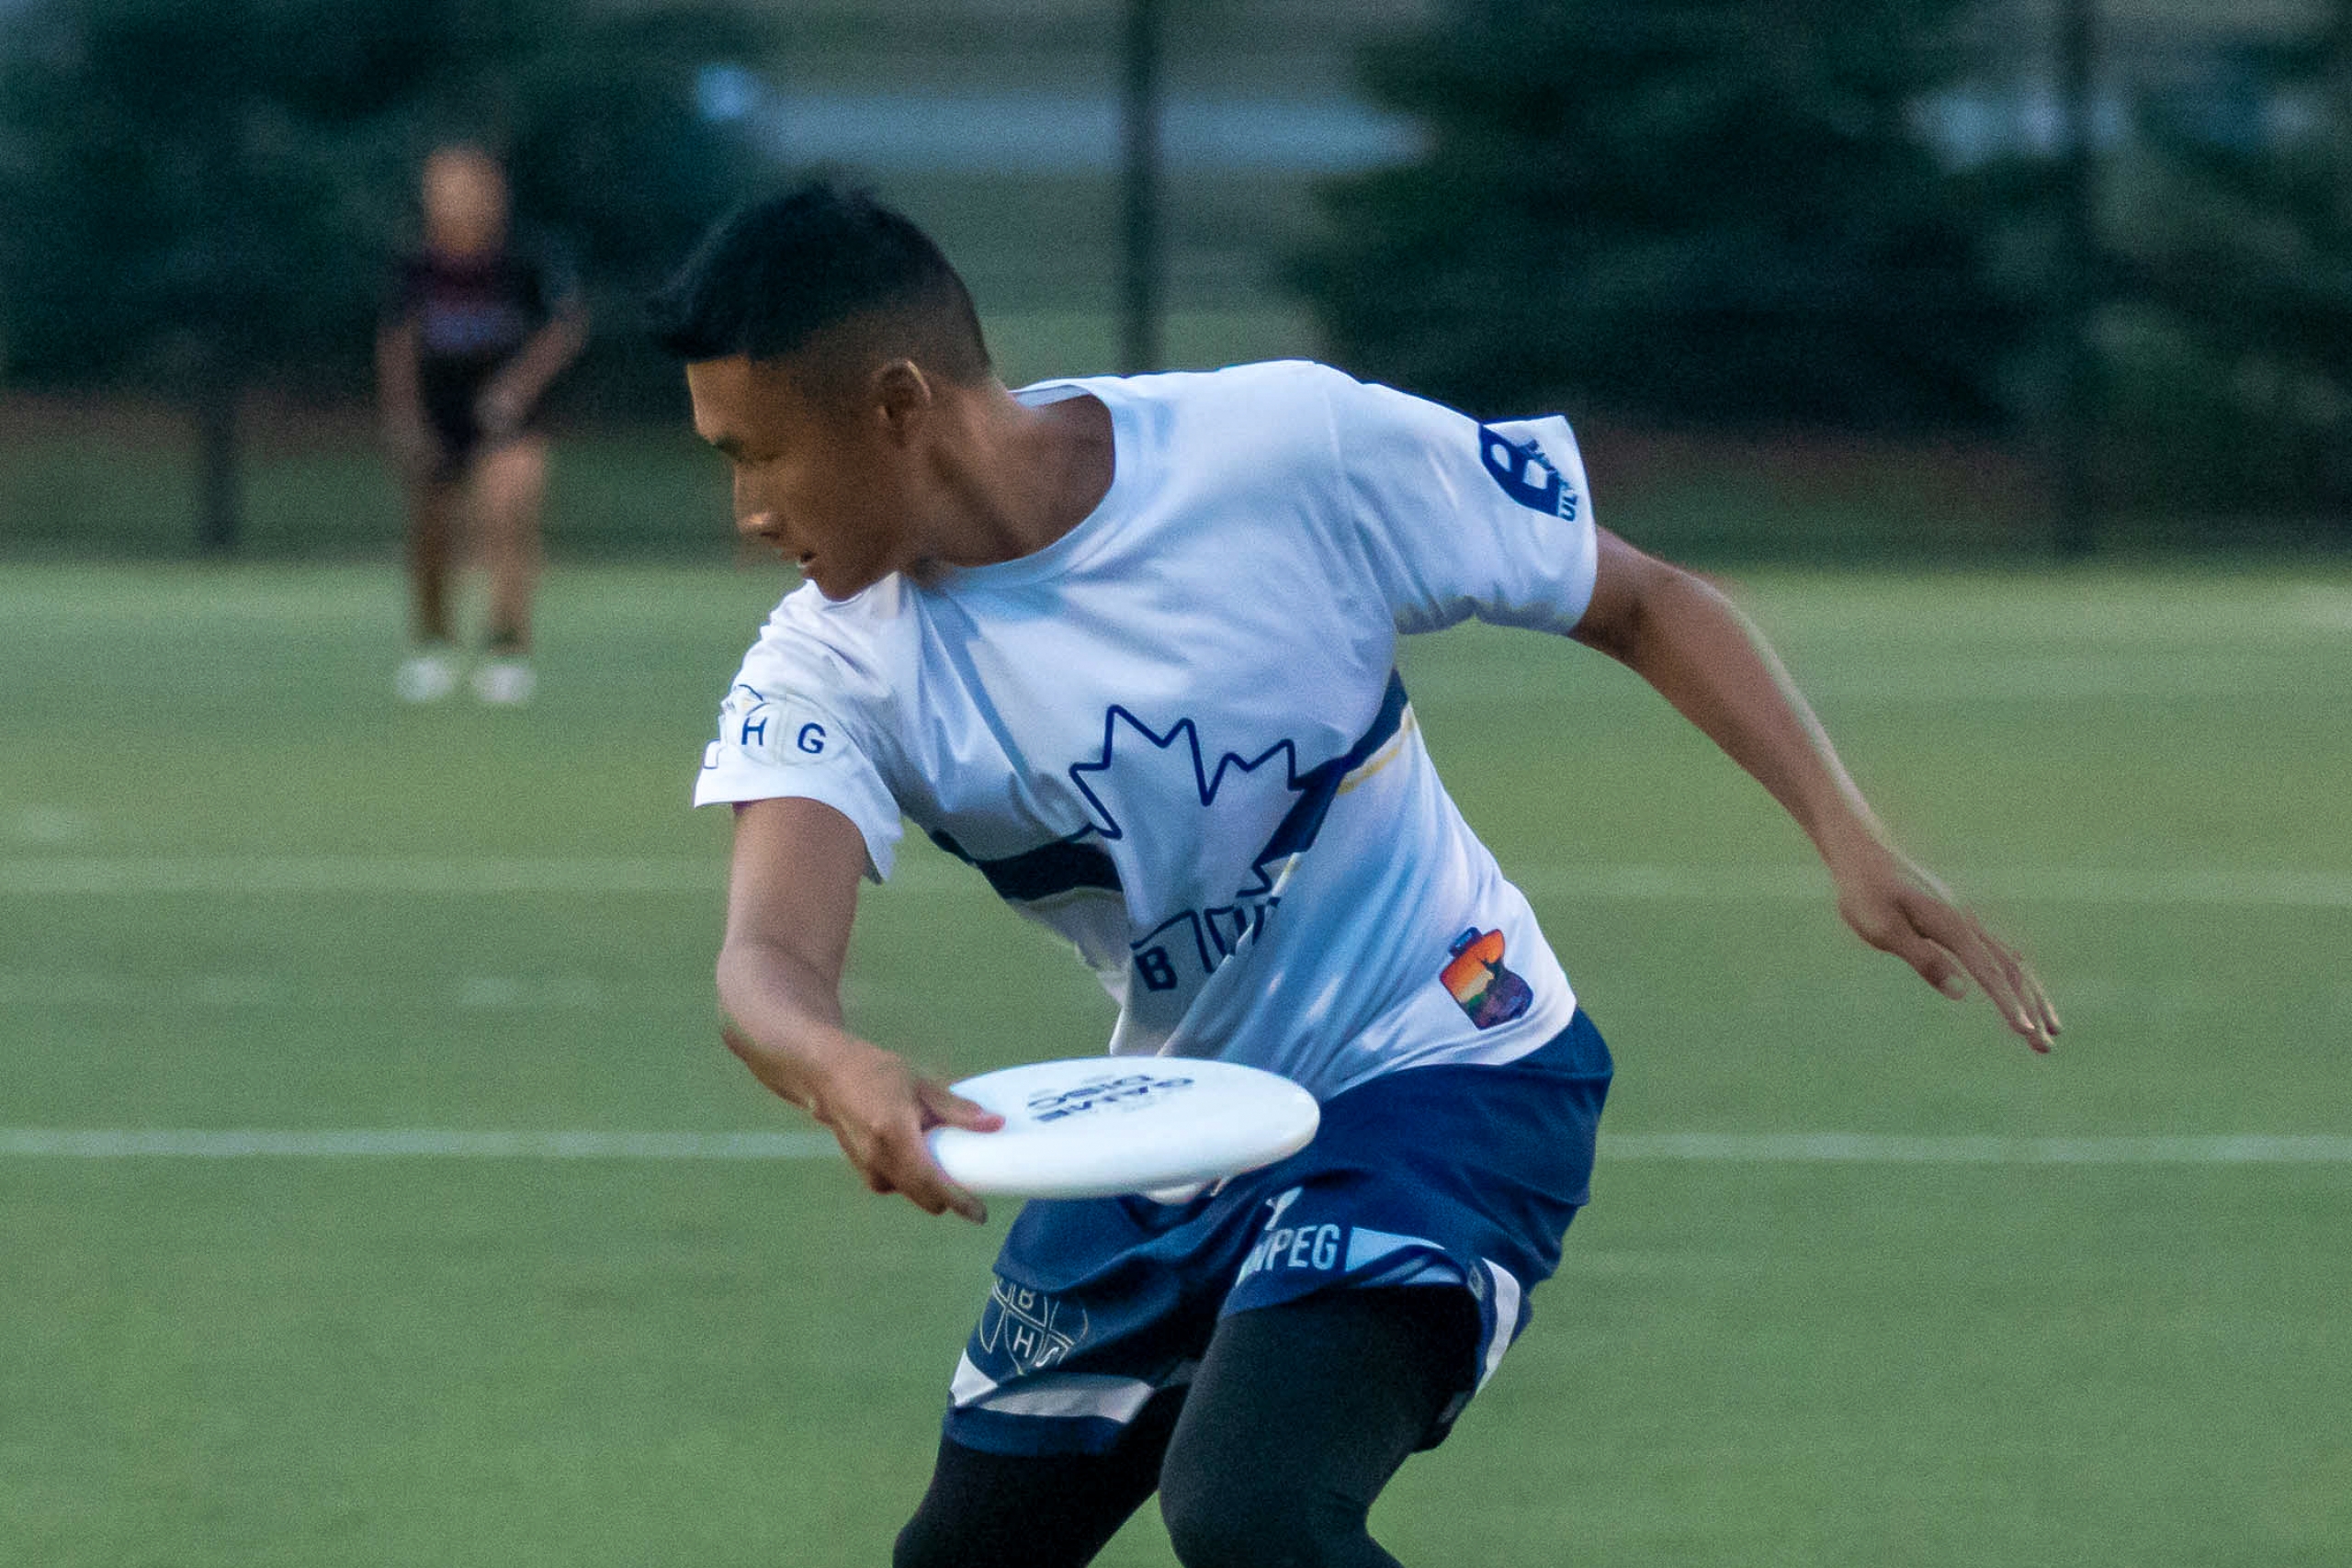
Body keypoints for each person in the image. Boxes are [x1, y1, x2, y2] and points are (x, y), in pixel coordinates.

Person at [652, 184, 2061, 1568]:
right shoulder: (831, 661)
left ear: (897, 404)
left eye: (758, 453)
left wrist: (1850, 838)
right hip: (1180, 1116)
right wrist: (834, 1060)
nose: (747, 510)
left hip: (1451, 1055)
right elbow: (764, 964)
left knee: (1253, 1508)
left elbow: (1639, 597)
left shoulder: (1281, 453)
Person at [377, 143, 586, 705]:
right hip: (439, 414)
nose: (456, 198)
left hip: (508, 419)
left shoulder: (525, 259)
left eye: (469, 186)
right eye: (443, 187)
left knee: (505, 519)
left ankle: (507, 646)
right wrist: (404, 418)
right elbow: (396, 342)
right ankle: (433, 643)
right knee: (432, 534)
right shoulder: (415, 266)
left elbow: (565, 326)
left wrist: (517, 386)